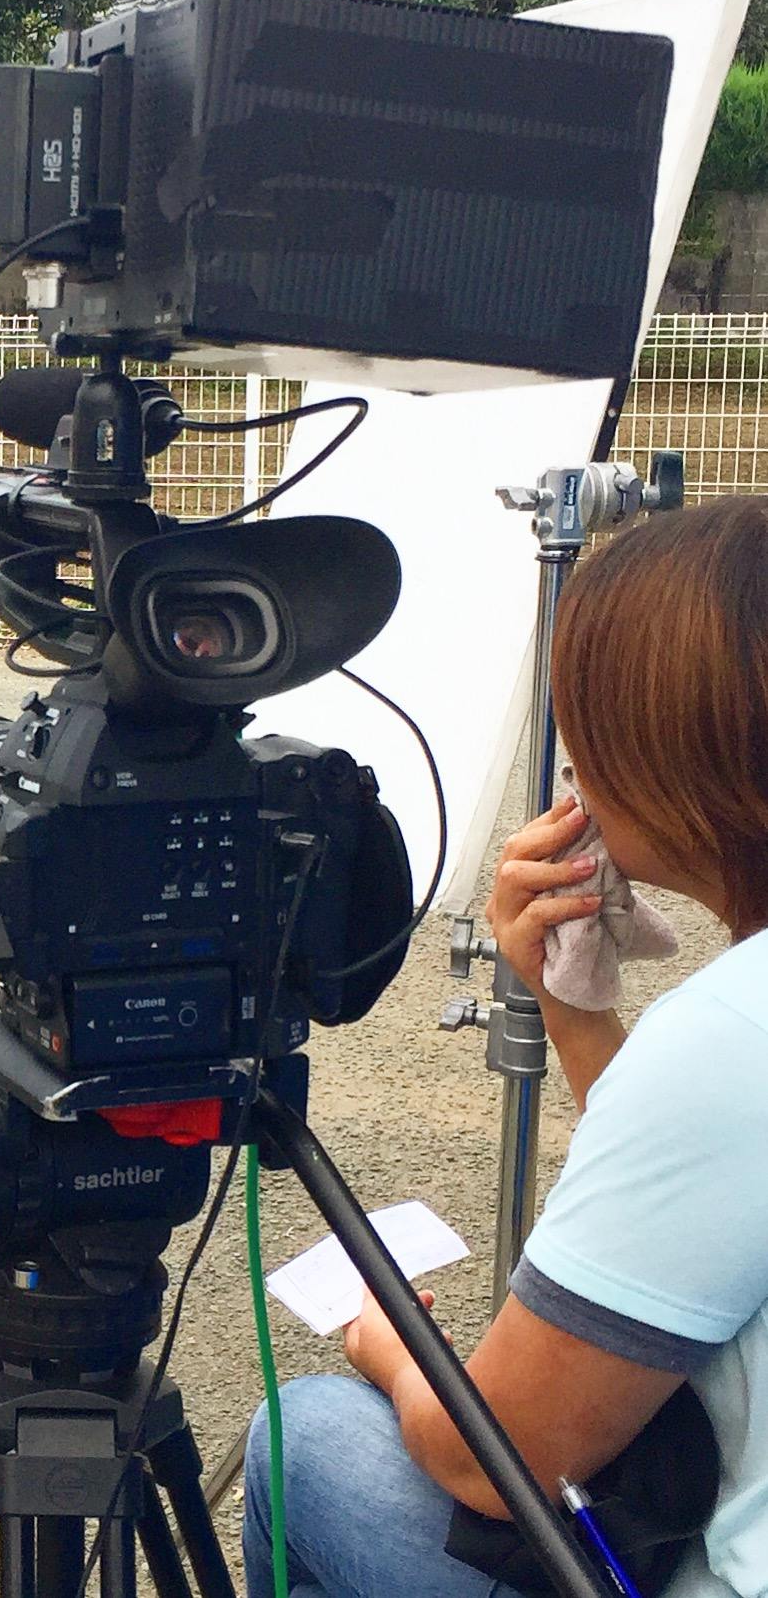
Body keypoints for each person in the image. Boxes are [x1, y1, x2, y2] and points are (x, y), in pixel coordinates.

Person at [243, 495, 768, 1598]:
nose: (572, 768)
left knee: (309, 1436)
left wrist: (385, 1340)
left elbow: (500, 1462)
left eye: (588, 731)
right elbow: (722, 1184)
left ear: (673, 753)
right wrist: (573, 1009)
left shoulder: (726, 1037)